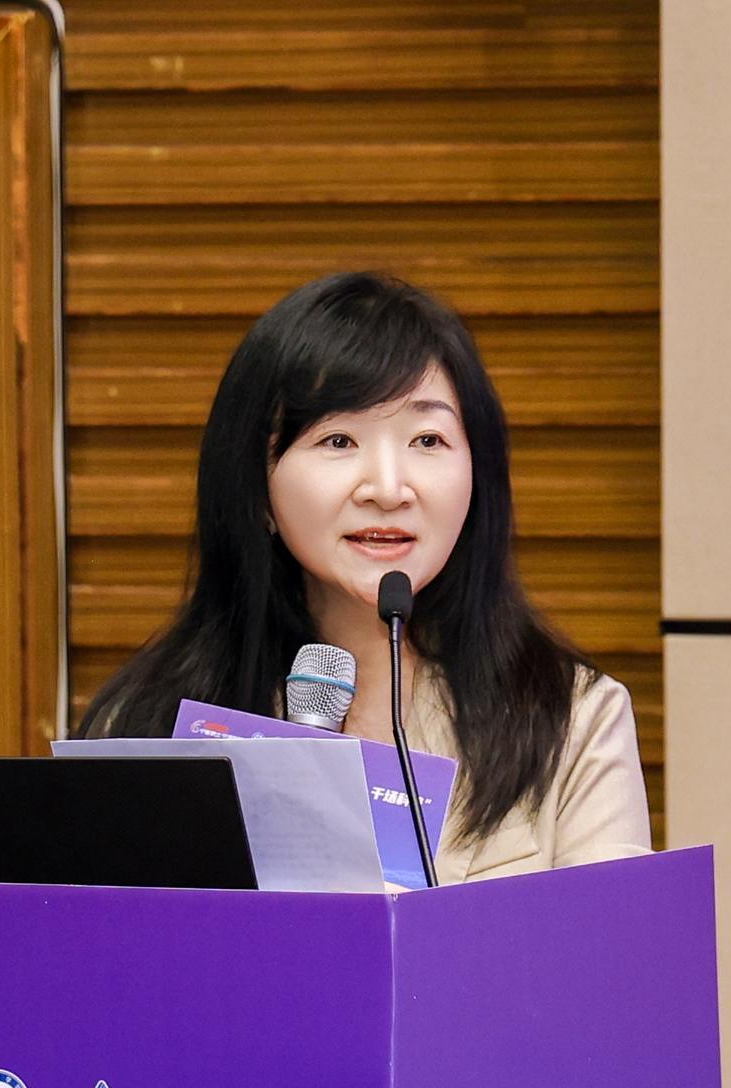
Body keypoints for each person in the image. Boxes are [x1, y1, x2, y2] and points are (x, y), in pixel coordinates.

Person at [78, 272, 653, 883]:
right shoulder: (150, 723)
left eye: (427, 439)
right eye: (338, 439)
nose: (387, 488)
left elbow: (612, 944)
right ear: (256, 490)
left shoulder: (572, 719)